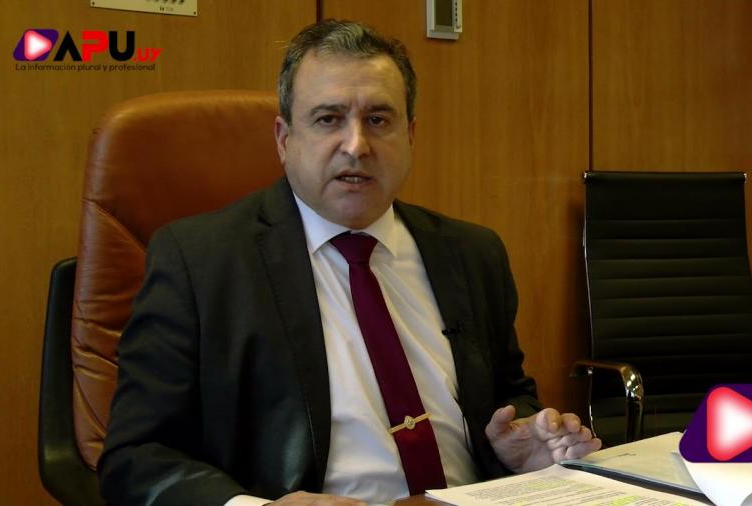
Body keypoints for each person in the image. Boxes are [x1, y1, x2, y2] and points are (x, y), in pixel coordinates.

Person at [98, 20, 601, 506]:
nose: (357, 145)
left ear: (411, 136)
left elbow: (508, 397)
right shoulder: (199, 261)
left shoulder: (472, 253)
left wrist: (521, 448)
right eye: (328, 119)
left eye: (379, 120)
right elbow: (137, 457)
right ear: (284, 139)